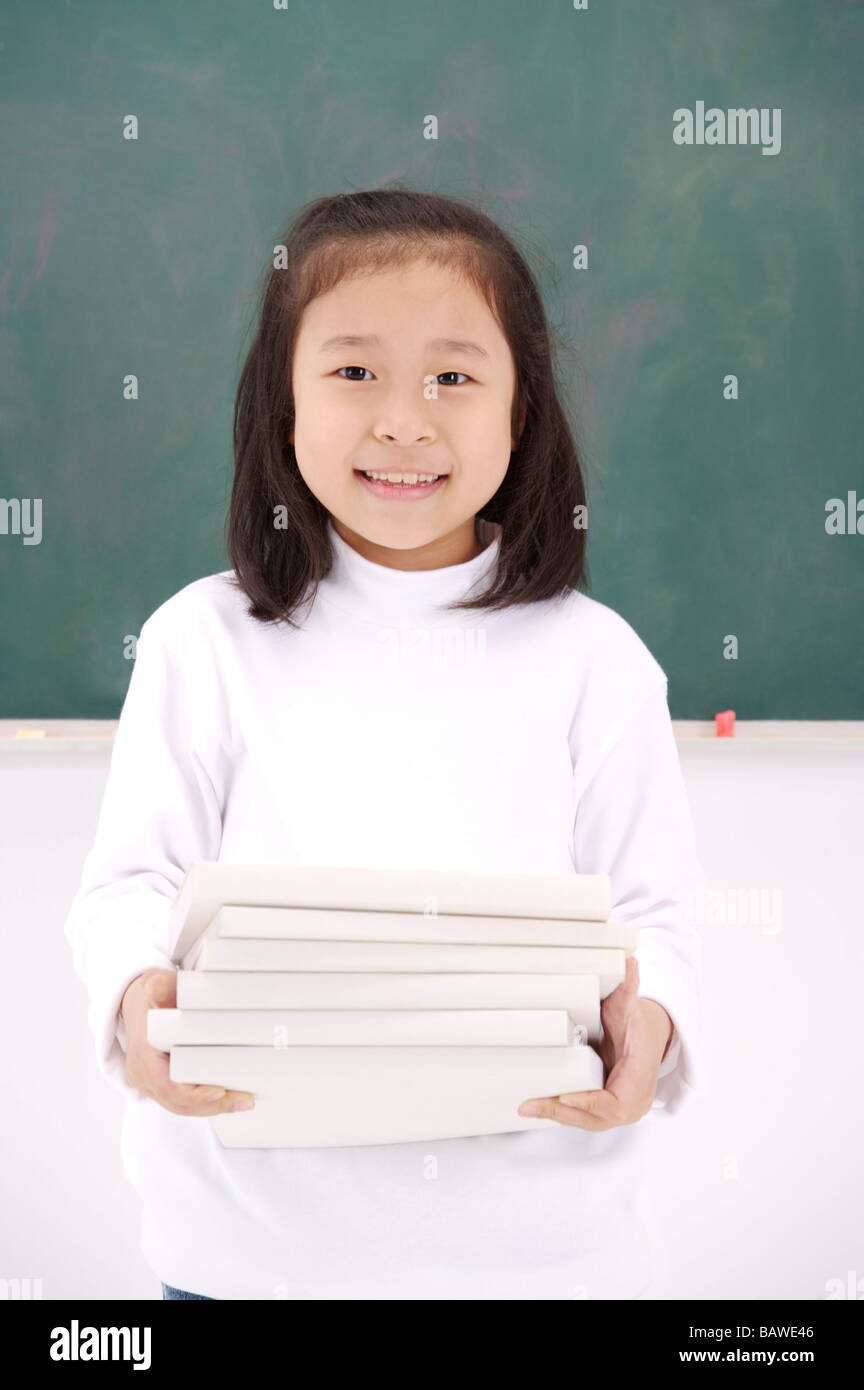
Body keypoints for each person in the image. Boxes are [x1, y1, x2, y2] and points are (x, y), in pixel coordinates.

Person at [64, 186, 705, 1301]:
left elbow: (658, 914)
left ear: (520, 413)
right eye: (354, 371)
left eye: (454, 377)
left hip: (541, 1260)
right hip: (248, 1254)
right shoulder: (203, 641)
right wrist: (134, 993)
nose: (405, 420)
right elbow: (131, 879)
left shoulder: (594, 659)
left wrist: (650, 1020)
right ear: (283, 408)